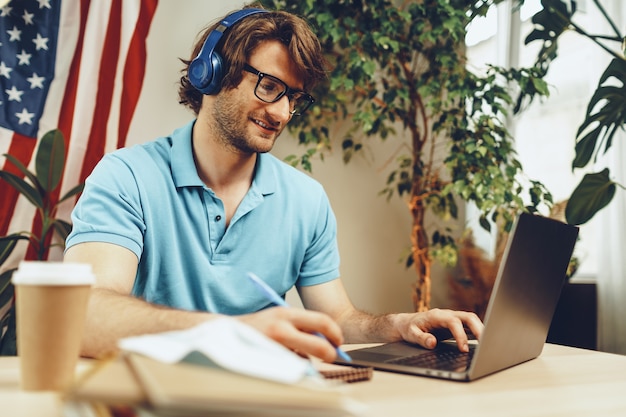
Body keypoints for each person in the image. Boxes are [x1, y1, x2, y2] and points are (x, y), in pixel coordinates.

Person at [64, 4, 483, 361]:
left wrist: (397, 325)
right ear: (212, 73)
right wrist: (232, 332)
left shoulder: (306, 199)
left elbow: (336, 320)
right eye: (269, 87)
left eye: (294, 98)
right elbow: (82, 315)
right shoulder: (125, 176)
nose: (282, 113)